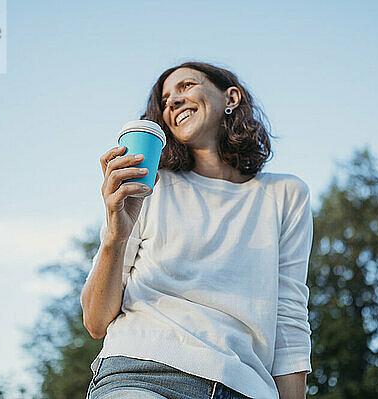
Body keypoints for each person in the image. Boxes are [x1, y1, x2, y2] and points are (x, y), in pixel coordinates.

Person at [80, 61, 313, 399]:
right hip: (142, 373)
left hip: (244, 388)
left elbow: (289, 320)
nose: (173, 101)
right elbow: (96, 321)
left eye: (186, 86)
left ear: (230, 97)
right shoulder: (149, 187)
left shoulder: (286, 195)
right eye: (165, 100)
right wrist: (116, 233)